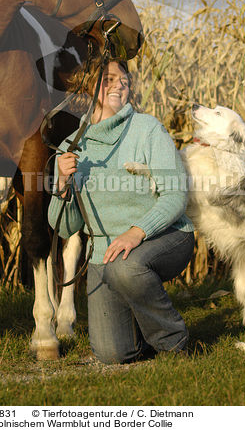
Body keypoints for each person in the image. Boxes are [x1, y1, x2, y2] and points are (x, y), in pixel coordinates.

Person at [48, 60, 194, 364]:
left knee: (126, 267)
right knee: (113, 353)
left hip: (165, 237)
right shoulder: (71, 147)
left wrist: (135, 232)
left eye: (124, 79)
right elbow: (63, 227)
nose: (119, 84)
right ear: (90, 87)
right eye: (109, 79)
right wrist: (62, 184)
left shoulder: (147, 129)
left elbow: (175, 195)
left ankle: (174, 342)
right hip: (106, 253)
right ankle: (144, 337)